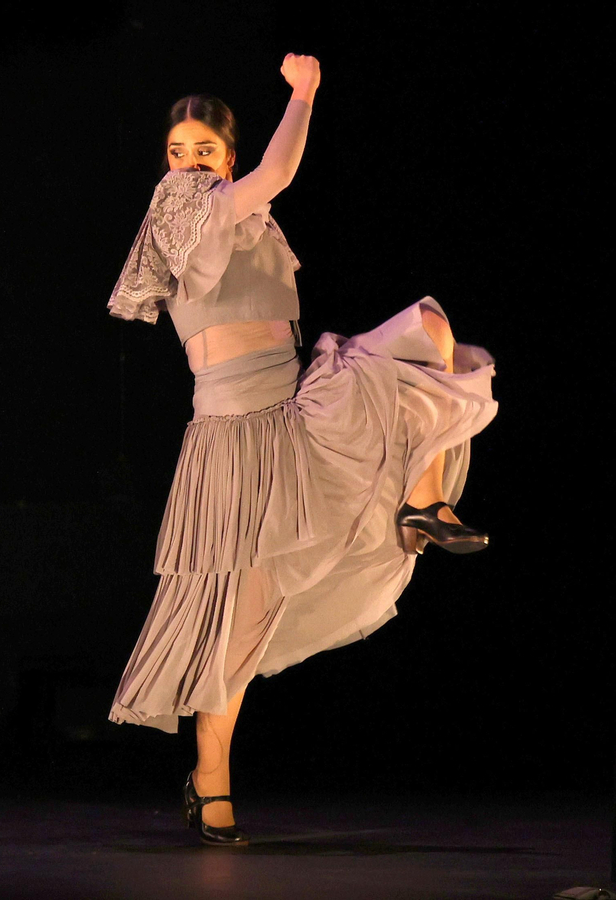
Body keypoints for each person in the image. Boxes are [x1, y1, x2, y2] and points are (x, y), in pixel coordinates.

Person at [105, 53, 498, 846]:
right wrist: (305, 95)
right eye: (178, 151)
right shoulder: (182, 211)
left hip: (294, 406)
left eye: (206, 152)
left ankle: (424, 497)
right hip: (234, 437)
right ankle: (209, 783)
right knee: (236, 623)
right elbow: (281, 165)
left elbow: (266, 184)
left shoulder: (248, 219)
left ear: (228, 157)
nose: (189, 163)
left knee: (434, 338)